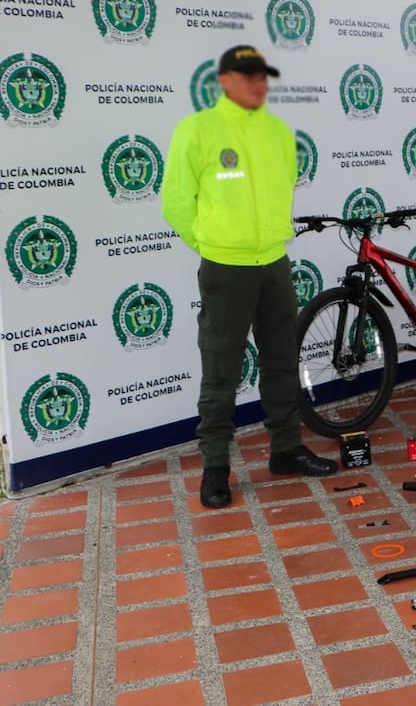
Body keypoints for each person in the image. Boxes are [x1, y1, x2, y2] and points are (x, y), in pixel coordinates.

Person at [162, 44, 336, 509]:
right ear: (224, 81)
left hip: (274, 264)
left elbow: (285, 187)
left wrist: (265, 242)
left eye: (262, 76)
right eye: (247, 76)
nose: (258, 84)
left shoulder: (278, 131)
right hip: (226, 268)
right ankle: (215, 467)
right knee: (221, 370)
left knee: (281, 360)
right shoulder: (197, 130)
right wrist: (215, 246)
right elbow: (176, 203)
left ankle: (286, 450)